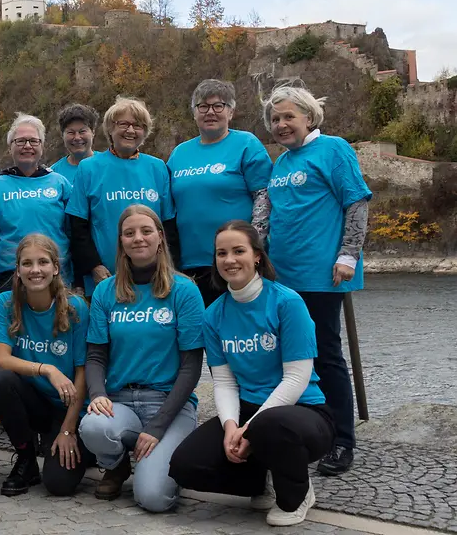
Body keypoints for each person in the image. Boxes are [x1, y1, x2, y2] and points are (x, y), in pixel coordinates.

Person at [169, 221, 335, 527]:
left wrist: (250, 428)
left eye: (238, 251)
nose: (229, 260)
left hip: (300, 411)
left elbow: (297, 378)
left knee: (271, 425)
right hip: (250, 411)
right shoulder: (214, 314)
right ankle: (259, 479)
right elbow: (224, 380)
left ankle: (297, 494)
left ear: (257, 255)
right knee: (185, 466)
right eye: (221, 253)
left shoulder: (287, 303)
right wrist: (232, 426)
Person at [264, 84, 372, 476]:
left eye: (289, 116)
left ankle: (342, 440)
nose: (281, 124)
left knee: (325, 354)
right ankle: (302, 430)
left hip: (322, 275)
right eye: (275, 119)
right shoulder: (281, 163)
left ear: (309, 117)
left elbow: (356, 202)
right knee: (290, 358)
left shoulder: (334, 149)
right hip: (282, 275)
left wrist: (348, 255)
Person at [78, 204, 204, 512]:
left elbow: (191, 367)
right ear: (120, 241)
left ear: (160, 237)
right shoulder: (106, 291)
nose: (138, 238)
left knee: (153, 498)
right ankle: (117, 464)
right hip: (121, 400)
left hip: (168, 403)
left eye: (146, 231)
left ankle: (164, 460)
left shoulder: (184, 290)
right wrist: (97, 395)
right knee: (93, 426)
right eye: (129, 233)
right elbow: (95, 355)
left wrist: (158, 426)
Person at [0, 234, 92, 497]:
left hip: (69, 406)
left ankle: (77, 446)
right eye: (27, 263)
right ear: (18, 270)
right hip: (33, 401)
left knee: (58, 485)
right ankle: (25, 458)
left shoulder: (75, 308)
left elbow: (83, 374)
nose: (35, 270)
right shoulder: (6, 303)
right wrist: (48, 369)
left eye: (43, 262)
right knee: (1, 382)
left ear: (56, 268)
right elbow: (1, 359)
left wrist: (68, 429)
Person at [167, 80, 273, 306]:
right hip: (189, 263)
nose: (210, 112)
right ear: (194, 113)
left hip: (234, 261)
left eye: (218, 106)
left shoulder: (246, 144)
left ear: (231, 111)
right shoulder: (179, 153)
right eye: (203, 106)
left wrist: (255, 246)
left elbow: (263, 197)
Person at [67, 97, 175, 298]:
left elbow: (168, 225)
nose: (131, 131)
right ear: (110, 128)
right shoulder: (89, 168)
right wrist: (93, 266)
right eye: (123, 124)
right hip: (106, 277)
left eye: (138, 125)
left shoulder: (157, 167)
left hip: (154, 277)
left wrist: (170, 268)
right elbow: (77, 226)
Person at [0, 113, 73, 306]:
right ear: (10, 147)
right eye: (20, 141)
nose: (27, 146)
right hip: (11, 279)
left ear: (42, 146)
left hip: (59, 276)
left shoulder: (60, 183)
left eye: (34, 141)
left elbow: (76, 234)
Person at [49, 103, 99, 185]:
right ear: (62, 135)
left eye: (82, 131)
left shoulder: (108, 166)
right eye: (71, 132)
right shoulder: (53, 174)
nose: (77, 138)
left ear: (93, 132)